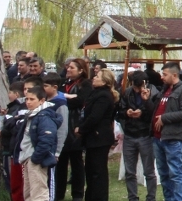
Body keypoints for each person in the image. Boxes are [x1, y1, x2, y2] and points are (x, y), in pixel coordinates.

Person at [75, 68, 118, 201]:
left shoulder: (104, 96)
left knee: (97, 172)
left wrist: (81, 129)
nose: (94, 77)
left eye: (97, 76)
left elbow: (95, 117)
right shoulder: (96, 93)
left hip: (99, 137)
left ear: (105, 81)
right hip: (93, 138)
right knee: (91, 170)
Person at [152, 62, 182, 201]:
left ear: (174, 75)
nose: (162, 77)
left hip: (172, 138)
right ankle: (168, 198)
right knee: (163, 173)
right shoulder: (164, 90)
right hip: (158, 138)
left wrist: (164, 118)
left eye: (164, 74)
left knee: (175, 173)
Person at [116, 70, 158, 201]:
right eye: (135, 86)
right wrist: (126, 113)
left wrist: (145, 103)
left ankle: (151, 197)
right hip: (130, 134)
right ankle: (132, 197)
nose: (137, 89)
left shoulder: (153, 92)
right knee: (130, 171)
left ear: (145, 83)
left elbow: (153, 114)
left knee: (149, 171)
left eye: (139, 86)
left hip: (145, 134)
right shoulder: (127, 93)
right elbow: (119, 112)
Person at [14, 86, 60, 201]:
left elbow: (47, 138)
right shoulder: (32, 115)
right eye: (27, 99)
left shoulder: (44, 116)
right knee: (29, 193)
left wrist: (36, 157)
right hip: (27, 157)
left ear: (42, 100)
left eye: (32, 99)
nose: (28, 102)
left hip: (35, 158)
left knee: (38, 193)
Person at [56, 58, 90, 201]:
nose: (68, 69)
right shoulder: (64, 83)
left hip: (76, 127)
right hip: (62, 127)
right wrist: (66, 97)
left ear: (81, 70)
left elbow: (80, 100)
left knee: (76, 164)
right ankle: (58, 194)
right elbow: (56, 98)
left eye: (72, 68)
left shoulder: (85, 84)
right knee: (60, 164)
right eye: (68, 67)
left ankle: (77, 194)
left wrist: (65, 98)